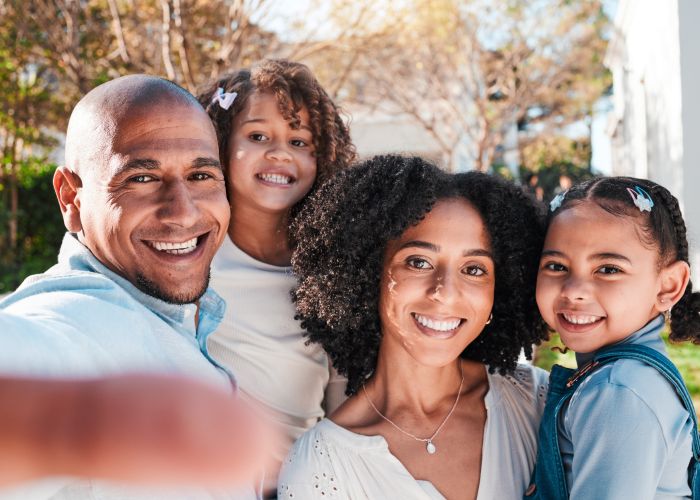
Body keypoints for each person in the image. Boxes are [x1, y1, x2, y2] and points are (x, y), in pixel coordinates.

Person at [0, 74, 272, 498]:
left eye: (201, 176)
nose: (182, 214)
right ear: (71, 198)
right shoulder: (77, 320)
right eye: (141, 179)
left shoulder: (187, 321)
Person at [278, 155, 550, 499]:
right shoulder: (320, 468)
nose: (445, 292)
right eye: (419, 262)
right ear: (367, 274)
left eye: (474, 269)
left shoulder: (535, 403)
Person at [196, 60, 356, 467]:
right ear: (218, 144)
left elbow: (342, 395)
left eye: (300, 142)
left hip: (299, 480)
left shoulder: (331, 269)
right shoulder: (190, 252)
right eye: (257, 135)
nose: (279, 153)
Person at [526, 176, 700, 499]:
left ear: (668, 286)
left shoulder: (618, 391)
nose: (574, 291)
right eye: (556, 265)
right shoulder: (623, 377)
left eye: (608, 269)